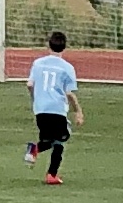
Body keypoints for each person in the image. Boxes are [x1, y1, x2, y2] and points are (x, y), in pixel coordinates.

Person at [22, 30, 83, 185]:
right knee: (61, 140)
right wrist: (78, 111)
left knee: (50, 139)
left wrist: (36, 99)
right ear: (64, 47)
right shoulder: (67, 67)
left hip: (40, 109)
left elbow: (29, 84)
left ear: (48, 45)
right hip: (57, 109)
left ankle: (34, 150)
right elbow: (69, 93)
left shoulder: (38, 63)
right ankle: (51, 175)